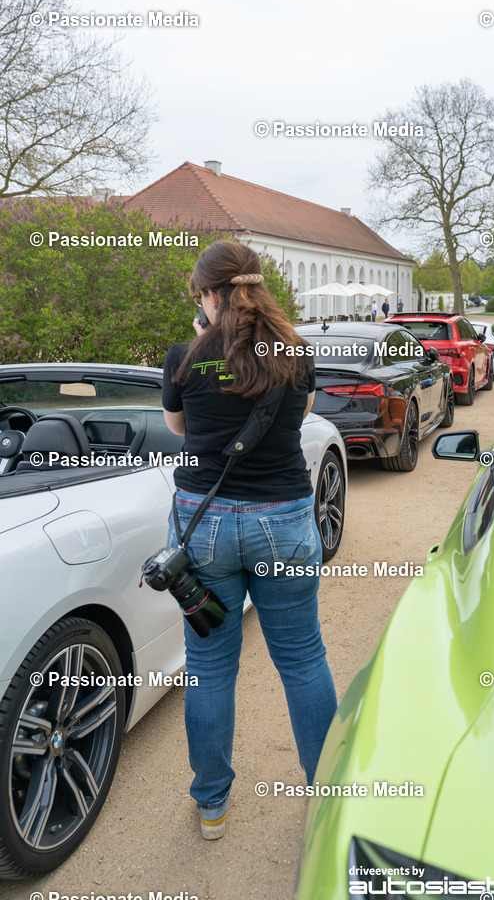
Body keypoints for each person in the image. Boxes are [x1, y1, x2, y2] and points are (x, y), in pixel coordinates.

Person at [161, 240, 337, 841]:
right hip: (282, 520)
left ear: (208, 295)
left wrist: (204, 343)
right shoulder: (295, 353)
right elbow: (299, 416)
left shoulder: (184, 358)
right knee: (303, 658)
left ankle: (212, 805)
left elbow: (179, 427)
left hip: (205, 524)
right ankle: (328, 800)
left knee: (209, 667)